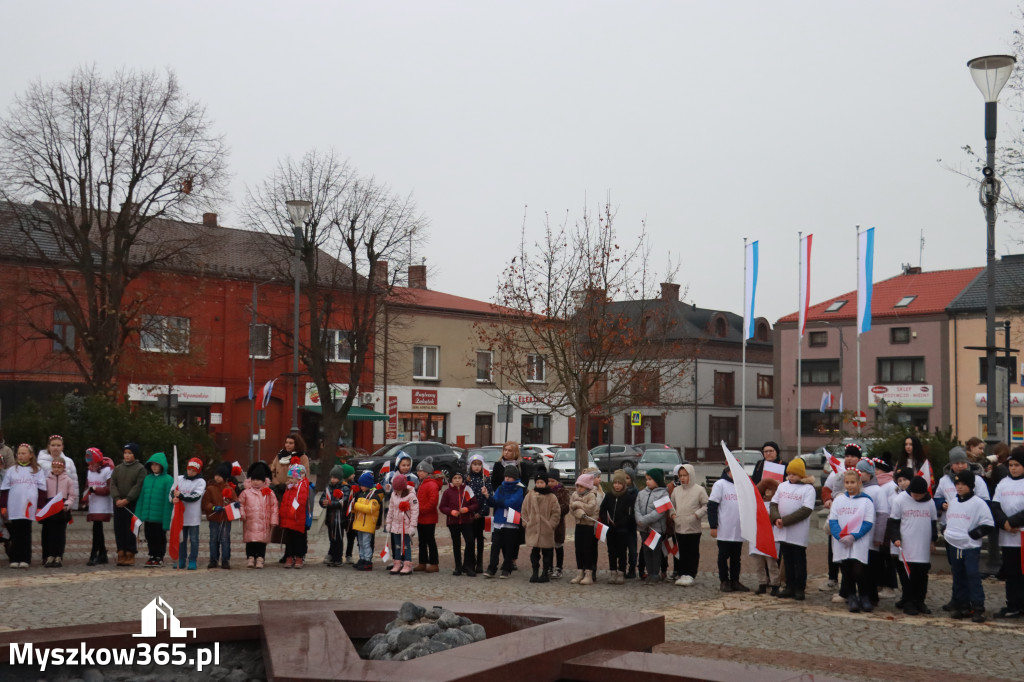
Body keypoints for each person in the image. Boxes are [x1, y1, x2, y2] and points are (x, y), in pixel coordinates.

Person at [944, 469, 995, 622]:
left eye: (963, 484)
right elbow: (950, 520)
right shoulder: (953, 503)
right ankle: (962, 604)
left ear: (971, 486)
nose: (959, 487)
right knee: (958, 575)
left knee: (972, 575)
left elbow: (988, 524)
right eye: (957, 484)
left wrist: (974, 534)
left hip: (970, 546)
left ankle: (978, 606)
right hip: (955, 545)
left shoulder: (978, 503)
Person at [887, 475, 937, 616]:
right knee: (907, 576)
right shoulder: (900, 500)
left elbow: (933, 523)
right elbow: (893, 522)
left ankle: (919, 601)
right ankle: (908, 601)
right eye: (914, 494)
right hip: (906, 546)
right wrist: (895, 538)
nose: (917, 497)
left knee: (922, 576)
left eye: (920, 495)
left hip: (923, 546)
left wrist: (933, 540)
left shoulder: (930, 502)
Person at [829, 469, 876, 613]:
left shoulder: (866, 501)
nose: (849, 486)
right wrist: (839, 536)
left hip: (858, 541)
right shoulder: (839, 500)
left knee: (859, 569)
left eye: (852, 482)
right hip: (842, 541)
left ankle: (864, 596)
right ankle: (851, 597)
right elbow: (833, 520)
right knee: (846, 569)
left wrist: (854, 536)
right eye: (847, 483)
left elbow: (868, 522)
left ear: (859, 482)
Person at [819, 444, 864, 594]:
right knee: (833, 547)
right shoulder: (836, 472)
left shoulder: (861, 473)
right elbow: (826, 489)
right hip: (838, 516)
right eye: (847, 456)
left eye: (852, 456)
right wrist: (827, 499)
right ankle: (832, 578)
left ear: (859, 458)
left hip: (855, 518)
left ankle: (854, 583)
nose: (849, 459)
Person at [771, 459, 816, 600]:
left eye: (794, 474)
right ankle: (789, 585)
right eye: (789, 473)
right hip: (782, 530)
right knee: (788, 560)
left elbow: (806, 510)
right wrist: (776, 518)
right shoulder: (782, 486)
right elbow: (773, 503)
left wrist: (785, 521)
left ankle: (799, 587)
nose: (791, 476)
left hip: (797, 532)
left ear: (801, 475)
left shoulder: (808, 489)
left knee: (799, 561)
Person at [0, 444, 46, 568]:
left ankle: (25, 558)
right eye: (19, 453)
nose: (21, 456)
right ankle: (14, 558)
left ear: (31, 455)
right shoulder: (12, 470)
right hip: (14, 506)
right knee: (15, 533)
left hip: (28, 507)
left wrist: (40, 506)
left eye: (24, 453)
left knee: (26, 532)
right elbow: (4, 489)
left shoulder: (37, 470)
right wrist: (3, 506)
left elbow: (42, 490)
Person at [991, 447, 1024, 619]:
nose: (1013, 468)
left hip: (1022, 535)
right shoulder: (1003, 483)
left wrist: (1011, 522)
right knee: (1012, 573)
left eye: (1017, 465)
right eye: (1011, 465)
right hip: (1008, 537)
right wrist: (1004, 524)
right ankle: (1013, 605)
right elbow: (995, 507)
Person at [856, 459, 890, 605]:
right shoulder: (857, 489)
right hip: (858, 537)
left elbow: (882, 514)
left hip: (871, 538)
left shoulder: (877, 491)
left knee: (871, 569)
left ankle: (872, 596)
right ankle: (862, 594)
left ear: (869, 474)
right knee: (860, 569)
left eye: (862, 471)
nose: (859, 474)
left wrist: (878, 536)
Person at [708, 466, 747, 592]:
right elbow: (712, 506)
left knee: (736, 558)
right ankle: (724, 581)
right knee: (723, 556)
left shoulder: (742, 485)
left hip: (738, 529)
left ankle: (735, 580)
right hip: (724, 528)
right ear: (727, 472)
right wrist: (713, 525)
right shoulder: (720, 484)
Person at [484, 465, 525, 579]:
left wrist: (498, 501)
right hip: (498, 520)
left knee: (509, 547)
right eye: (506, 476)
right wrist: (487, 496)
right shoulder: (500, 488)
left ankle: (507, 568)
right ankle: (491, 567)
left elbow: (512, 503)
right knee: (495, 546)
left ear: (515, 477)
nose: (507, 478)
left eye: (510, 477)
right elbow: (493, 502)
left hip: (511, 521)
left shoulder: (519, 488)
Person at [670, 463, 707, 587]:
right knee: (682, 551)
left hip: (693, 527)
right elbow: (671, 505)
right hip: (679, 526)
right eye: (680, 476)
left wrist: (696, 515)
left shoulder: (699, 490)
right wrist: (673, 515)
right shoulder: (676, 490)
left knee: (692, 551)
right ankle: (682, 573)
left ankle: (691, 574)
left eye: (685, 475)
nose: (682, 478)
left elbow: (706, 505)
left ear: (691, 475)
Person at [110, 443, 146, 566]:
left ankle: (130, 552)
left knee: (130, 529)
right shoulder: (118, 468)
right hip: (118, 503)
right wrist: (117, 498)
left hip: (132, 504)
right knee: (119, 528)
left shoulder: (140, 469)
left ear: (135, 455)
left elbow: (138, 485)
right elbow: (113, 483)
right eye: (125, 453)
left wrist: (128, 499)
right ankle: (121, 551)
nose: (127, 455)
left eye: (130, 453)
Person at [522, 468, 560, 583]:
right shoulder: (530, 495)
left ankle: (545, 573)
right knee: (534, 552)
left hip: (546, 530)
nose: (539, 484)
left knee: (547, 553)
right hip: (533, 528)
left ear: (545, 483)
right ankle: (534, 572)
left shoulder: (551, 497)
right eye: (537, 482)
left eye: (542, 482)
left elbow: (556, 512)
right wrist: (526, 522)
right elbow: (524, 510)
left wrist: (551, 524)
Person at [136, 452, 174, 568]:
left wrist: (166, 519)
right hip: (148, 515)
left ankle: (159, 556)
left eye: (157, 465)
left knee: (159, 537)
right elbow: (142, 497)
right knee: (149, 536)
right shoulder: (147, 479)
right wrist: (139, 514)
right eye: (152, 465)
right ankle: (152, 555)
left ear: (162, 466)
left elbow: (168, 501)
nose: (154, 467)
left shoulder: (168, 480)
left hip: (160, 516)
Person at [238, 461, 278, 569]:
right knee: (250, 542)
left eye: (258, 480)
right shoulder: (246, 492)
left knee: (261, 542)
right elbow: (240, 504)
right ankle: (250, 558)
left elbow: (274, 507)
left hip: (263, 523)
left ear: (264, 480)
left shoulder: (269, 493)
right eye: (254, 479)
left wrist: (274, 520)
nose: (256, 482)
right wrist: (242, 514)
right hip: (250, 522)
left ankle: (260, 558)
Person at [439, 469, 479, 576]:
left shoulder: (467, 490)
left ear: (463, 479)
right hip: (453, 522)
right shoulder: (447, 492)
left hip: (466, 521)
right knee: (456, 544)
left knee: (470, 542)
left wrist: (467, 509)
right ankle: (458, 566)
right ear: (451, 480)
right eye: (455, 478)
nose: (457, 480)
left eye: (459, 478)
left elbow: (475, 504)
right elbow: (442, 507)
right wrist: (451, 512)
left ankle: (468, 565)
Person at [935, 447, 989, 526]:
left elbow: (985, 501)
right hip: (948, 523)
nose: (960, 466)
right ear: (951, 465)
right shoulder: (944, 480)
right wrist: (942, 504)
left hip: (970, 523)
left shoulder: (977, 479)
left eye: (963, 463)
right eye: (957, 463)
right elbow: (937, 498)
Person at [40, 455, 78, 568]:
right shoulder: (47, 480)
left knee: (60, 534)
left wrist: (67, 505)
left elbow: (72, 496)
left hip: (62, 510)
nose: (56, 469)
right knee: (50, 533)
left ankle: (59, 556)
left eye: (58, 467)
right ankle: (51, 555)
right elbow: (43, 495)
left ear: (63, 468)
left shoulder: (68, 480)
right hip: (50, 510)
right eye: (54, 467)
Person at [600, 469, 637, 585]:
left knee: (622, 552)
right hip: (610, 529)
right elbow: (603, 509)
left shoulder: (629, 497)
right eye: (615, 483)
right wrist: (607, 521)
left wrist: (621, 523)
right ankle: (613, 571)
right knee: (611, 551)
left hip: (623, 529)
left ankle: (621, 572)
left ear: (624, 484)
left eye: (619, 483)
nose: (617, 485)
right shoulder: (609, 495)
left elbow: (631, 514)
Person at [173, 457, 207, 571]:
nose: (190, 472)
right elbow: (171, 492)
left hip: (193, 516)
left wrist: (181, 495)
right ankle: (181, 559)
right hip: (180, 515)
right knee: (181, 538)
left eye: (193, 470)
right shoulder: (179, 479)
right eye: (189, 469)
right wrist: (173, 498)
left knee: (194, 539)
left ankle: (192, 559)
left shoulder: (201, 482)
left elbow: (195, 496)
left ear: (198, 471)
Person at [82, 448, 114, 566]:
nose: (92, 465)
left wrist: (96, 490)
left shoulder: (108, 470)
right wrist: (84, 500)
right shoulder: (90, 470)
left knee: (97, 528)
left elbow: (110, 488)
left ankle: (94, 553)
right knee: (97, 529)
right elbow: (87, 486)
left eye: (94, 463)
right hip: (93, 503)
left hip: (103, 503)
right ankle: (102, 553)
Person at [202, 462, 237, 569]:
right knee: (213, 539)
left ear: (225, 477)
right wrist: (213, 507)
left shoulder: (229, 489)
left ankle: (225, 560)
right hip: (214, 518)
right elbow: (205, 503)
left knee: (225, 540)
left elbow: (234, 500)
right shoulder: (210, 488)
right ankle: (213, 559)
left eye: (220, 476)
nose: (217, 477)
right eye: (216, 475)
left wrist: (234, 504)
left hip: (225, 519)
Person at [570, 473, 601, 585]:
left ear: (587, 487)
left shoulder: (592, 495)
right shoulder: (574, 494)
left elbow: (590, 509)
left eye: (581, 486)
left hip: (589, 525)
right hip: (579, 524)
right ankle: (580, 572)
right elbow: (571, 508)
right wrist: (579, 512)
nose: (579, 488)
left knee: (588, 549)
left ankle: (588, 573)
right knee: (578, 549)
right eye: (577, 486)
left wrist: (578, 504)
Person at [751, 478, 781, 595]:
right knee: (759, 564)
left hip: (770, 537)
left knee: (772, 564)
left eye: (770, 490)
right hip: (757, 536)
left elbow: (773, 517)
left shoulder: (776, 505)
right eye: (766, 490)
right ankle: (762, 583)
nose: (768, 492)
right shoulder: (756, 503)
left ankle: (775, 584)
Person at [319, 464, 353, 567]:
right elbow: (322, 498)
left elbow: (344, 501)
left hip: (340, 519)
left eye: (335, 478)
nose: (332, 479)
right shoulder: (328, 488)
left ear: (339, 478)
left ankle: (338, 558)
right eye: (332, 477)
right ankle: (333, 557)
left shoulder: (345, 488)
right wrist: (323, 502)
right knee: (332, 538)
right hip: (330, 518)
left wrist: (330, 503)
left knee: (338, 539)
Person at [385, 473, 418, 575]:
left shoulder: (411, 495)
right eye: (395, 489)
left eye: (399, 490)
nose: (397, 491)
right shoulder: (393, 495)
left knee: (406, 545)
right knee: (397, 545)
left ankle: (407, 564)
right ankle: (397, 563)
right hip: (395, 524)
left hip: (406, 525)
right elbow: (390, 510)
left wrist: (413, 526)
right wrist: (388, 523)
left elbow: (415, 511)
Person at [350, 471, 384, 571]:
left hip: (367, 524)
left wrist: (355, 506)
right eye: (361, 485)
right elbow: (358, 509)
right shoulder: (361, 494)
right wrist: (352, 508)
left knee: (366, 543)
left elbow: (370, 509)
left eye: (363, 485)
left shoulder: (374, 496)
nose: (361, 487)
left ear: (368, 485)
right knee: (360, 542)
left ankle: (368, 560)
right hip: (360, 523)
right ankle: (362, 558)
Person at [280, 463, 310, 569]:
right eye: (289, 477)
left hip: (297, 518)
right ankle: (289, 556)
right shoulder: (289, 487)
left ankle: (299, 556)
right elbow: (285, 501)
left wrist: (292, 512)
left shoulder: (303, 486)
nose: (290, 479)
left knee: (298, 538)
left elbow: (301, 501)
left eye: (292, 477)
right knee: (289, 539)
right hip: (288, 517)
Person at [466, 454, 492, 574]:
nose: (476, 467)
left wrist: (481, 512)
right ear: (470, 465)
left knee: (479, 538)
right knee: (469, 539)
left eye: (479, 465)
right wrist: (469, 511)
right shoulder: (467, 479)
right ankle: (470, 562)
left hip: (480, 514)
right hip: (469, 514)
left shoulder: (485, 479)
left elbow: (489, 497)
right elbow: (464, 497)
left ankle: (479, 562)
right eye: (474, 464)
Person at [414, 458, 440, 573]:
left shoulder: (432, 485)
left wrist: (421, 510)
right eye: (418, 471)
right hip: (421, 518)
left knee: (430, 541)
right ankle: (422, 562)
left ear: (427, 472)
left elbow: (433, 502)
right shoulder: (422, 483)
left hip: (428, 518)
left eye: (421, 471)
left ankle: (434, 563)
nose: (419, 473)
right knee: (422, 541)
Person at [270, 434, 310, 498]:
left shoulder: (302, 457)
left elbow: (304, 475)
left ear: (297, 444)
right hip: (278, 490)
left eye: (291, 443)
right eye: (286, 442)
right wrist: (278, 484)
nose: (287, 445)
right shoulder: (279, 455)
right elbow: (272, 471)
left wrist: (290, 484)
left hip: (294, 491)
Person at [547, 471, 571, 579]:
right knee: (548, 547)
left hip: (558, 524)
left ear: (557, 481)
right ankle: (549, 566)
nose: (550, 483)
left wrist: (554, 510)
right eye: (549, 481)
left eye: (553, 481)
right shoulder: (545, 492)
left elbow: (566, 507)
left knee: (558, 546)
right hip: (547, 524)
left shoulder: (563, 492)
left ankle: (559, 568)